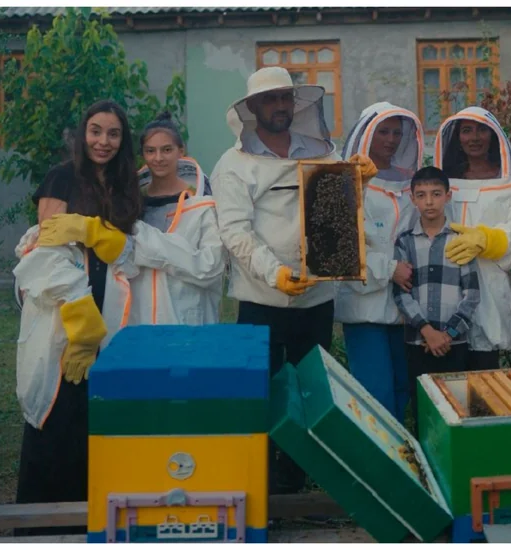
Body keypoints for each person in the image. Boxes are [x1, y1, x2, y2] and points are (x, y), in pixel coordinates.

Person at [210, 66, 375, 494]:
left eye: (286, 98)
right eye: (270, 100)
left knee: (310, 390)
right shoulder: (233, 164)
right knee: (260, 390)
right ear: (253, 108)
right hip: (261, 299)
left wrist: (357, 183)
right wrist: (274, 273)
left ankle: (299, 476)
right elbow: (234, 231)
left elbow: (338, 214)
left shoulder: (321, 152)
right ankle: (260, 477)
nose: (280, 106)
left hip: (317, 297)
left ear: (295, 103)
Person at [13, 99, 141, 533]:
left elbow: (126, 249)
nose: (103, 142)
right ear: (82, 134)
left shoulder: (125, 185)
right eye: (95, 131)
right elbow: (44, 250)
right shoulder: (62, 176)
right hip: (64, 312)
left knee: (94, 416)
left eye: (113, 134)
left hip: (109, 311)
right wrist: (78, 315)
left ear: (123, 141)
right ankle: (37, 530)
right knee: (54, 410)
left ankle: (88, 523)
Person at [336, 102, 424, 423]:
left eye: (397, 133)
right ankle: (375, 465)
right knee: (374, 394)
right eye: (383, 132)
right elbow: (340, 242)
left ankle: (401, 461)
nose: (390, 139)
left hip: (406, 305)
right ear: (366, 134)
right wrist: (388, 269)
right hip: (364, 305)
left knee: (403, 389)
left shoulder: (410, 181)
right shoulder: (346, 180)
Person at [433, 107, 511, 371]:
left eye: (481, 129)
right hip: (446, 286)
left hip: (491, 289)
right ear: (457, 137)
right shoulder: (444, 181)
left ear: (493, 135)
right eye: (466, 130)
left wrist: (488, 240)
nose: (474, 137)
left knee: (486, 379)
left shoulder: (510, 182)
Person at [392, 166, 480, 432]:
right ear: (413, 199)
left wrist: (448, 334)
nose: (429, 201)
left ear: (448, 196)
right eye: (422, 195)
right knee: (424, 413)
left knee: (457, 411)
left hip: (455, 343)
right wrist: (427, 330)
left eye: (436, 194)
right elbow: (401, 293)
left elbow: (472, 294)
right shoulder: (405, 242)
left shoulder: (461, 240)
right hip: (418, 342)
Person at [127, 112, 225, 326]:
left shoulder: (202, 206)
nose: (158, 158)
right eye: (150, 151)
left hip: (188, 321)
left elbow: (210, 267)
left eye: (167, 150)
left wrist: (148, 245)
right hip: (140, 321)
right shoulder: (131, 207)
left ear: (181, 152)